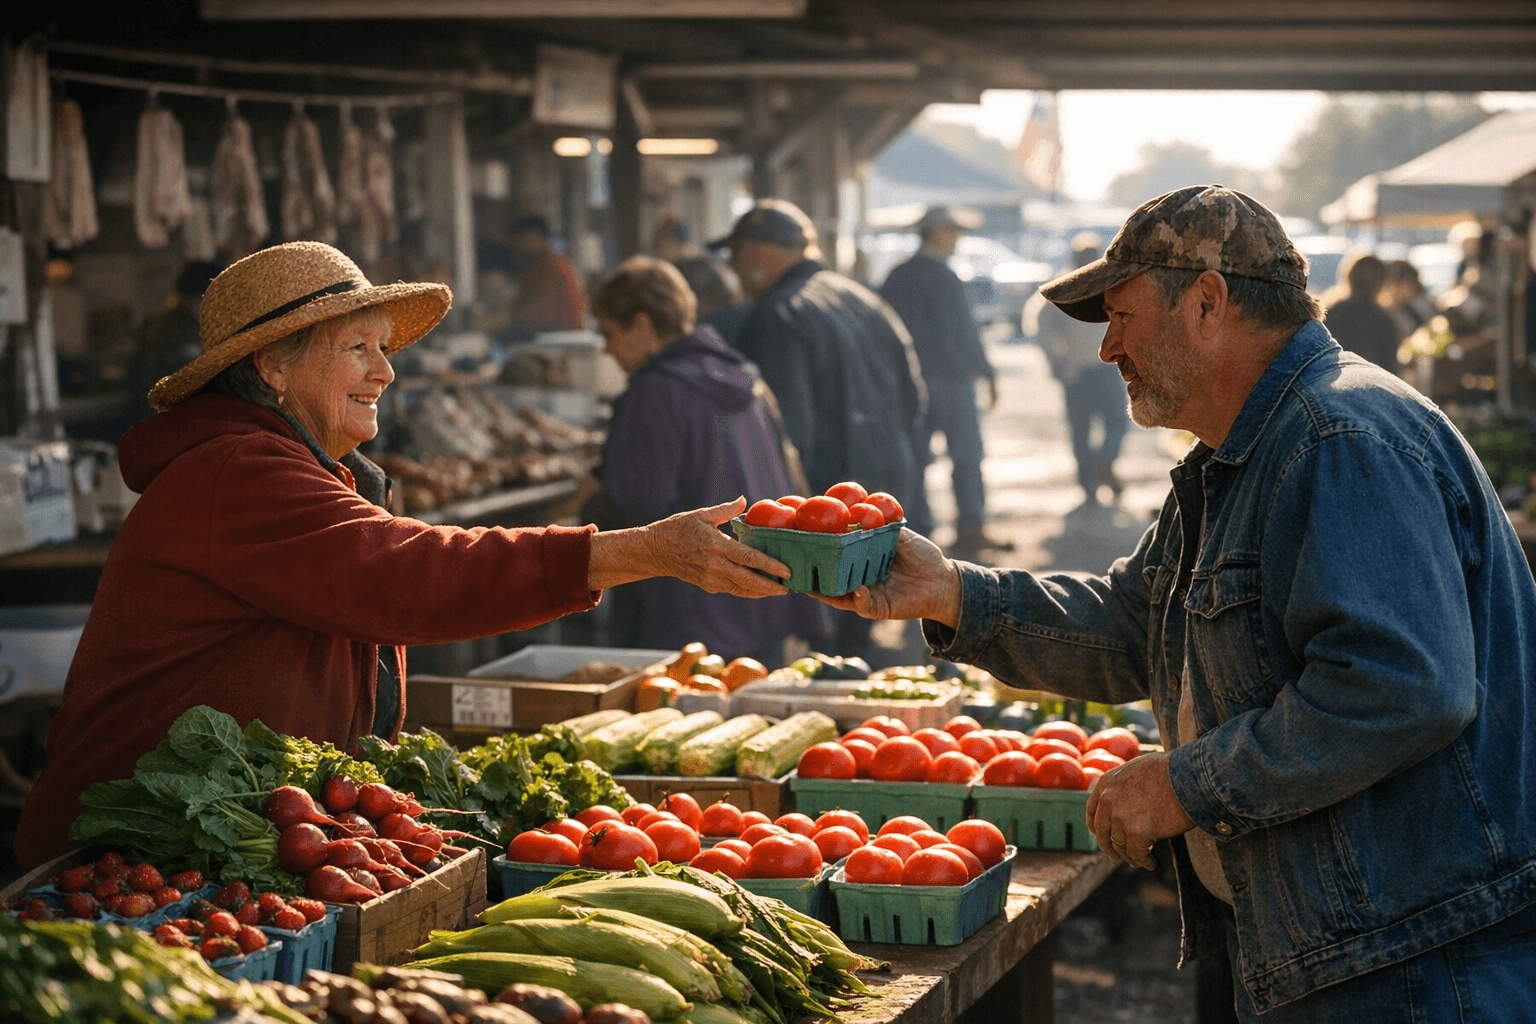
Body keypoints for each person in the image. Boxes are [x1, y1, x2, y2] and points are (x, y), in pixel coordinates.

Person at [817, 185, 1536, 1022]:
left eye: (1122, 317)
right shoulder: (1245, 448)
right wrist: (952, 592)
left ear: (1206, 302)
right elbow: (1135, 624)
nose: (1107, 348)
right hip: (1346, 950)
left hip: (1410, 967)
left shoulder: (1339, 438)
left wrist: (1185, 786)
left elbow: (1400, 689)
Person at [15, 241, 793, 869]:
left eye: (383, 348)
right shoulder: (236, 472)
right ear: (272, 366)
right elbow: (410, 574)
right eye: (357, 348)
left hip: (218, 834)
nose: (385, 372)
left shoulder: (286, 464)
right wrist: (640, 551)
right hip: (125, 855)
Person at [584, 255, 828, 662]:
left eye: (609, 333)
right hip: (765, 596)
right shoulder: (746, 377)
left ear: (642, 325)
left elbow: (638, 506)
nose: (607, 349)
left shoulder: (654, 392)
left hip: (689, 616)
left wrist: (590, 499)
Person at [713, 199, 927, 660]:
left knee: (827, 636)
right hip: (881, 485)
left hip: (826, 501)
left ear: (756, 254)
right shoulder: (862, 298)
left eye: (735, 256)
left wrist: (786, 514)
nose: (733, 269)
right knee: (860, 621)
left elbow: (784, 430)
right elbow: (914, 399)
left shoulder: (776, 313)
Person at [880, 206, 1012, 559]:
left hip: (911, 384)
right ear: (937, 233)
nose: (957, 240)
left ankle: (917, 531)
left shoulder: (897, 276)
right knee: (966, 456)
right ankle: (971, 527)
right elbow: (965, 331)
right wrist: (987, 373)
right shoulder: (945, 276)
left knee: (915, 459)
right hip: (952, 383)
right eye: (953, 233)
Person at [1026, 233, 1132, 505]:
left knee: (1091, 427)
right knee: (1109, 423)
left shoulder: (1073, 285)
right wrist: (1058, 361)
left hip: (1088, 369)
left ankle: (1095, 473)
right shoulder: (1093, 285)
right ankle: (1100, 467)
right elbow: (1040, 327)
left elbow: (1038, 327)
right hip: (1093, 369)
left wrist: (1058, 360)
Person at [504, 214, 587, 338]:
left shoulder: (553, 265)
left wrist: (506, 319)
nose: (519, 244)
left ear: (537, 237)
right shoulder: (534, 265)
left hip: (563, 336)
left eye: (522, 238)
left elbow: (544, 312)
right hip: (551, 334)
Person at [1322, 253, 1400, 372]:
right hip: (1372, 380)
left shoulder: (1330, 313)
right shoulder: (1385, 320)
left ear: (1348, 276)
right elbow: (1391, 369)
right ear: (1382, 282)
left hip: (1335, 379)